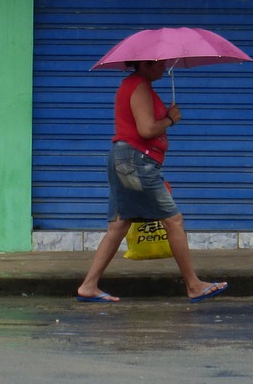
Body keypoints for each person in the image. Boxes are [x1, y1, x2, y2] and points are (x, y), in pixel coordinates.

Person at [76, 59, 229, 303]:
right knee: (174, 221)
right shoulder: (138, 86)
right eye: (159, 65)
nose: (165, 68)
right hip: (137, 162)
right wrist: (170, 119)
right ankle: (193, 285)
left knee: (119, 225)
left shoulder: (137, 85)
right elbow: (146, 129)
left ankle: (89, 285)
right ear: (145, 65)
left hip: (126, 160)